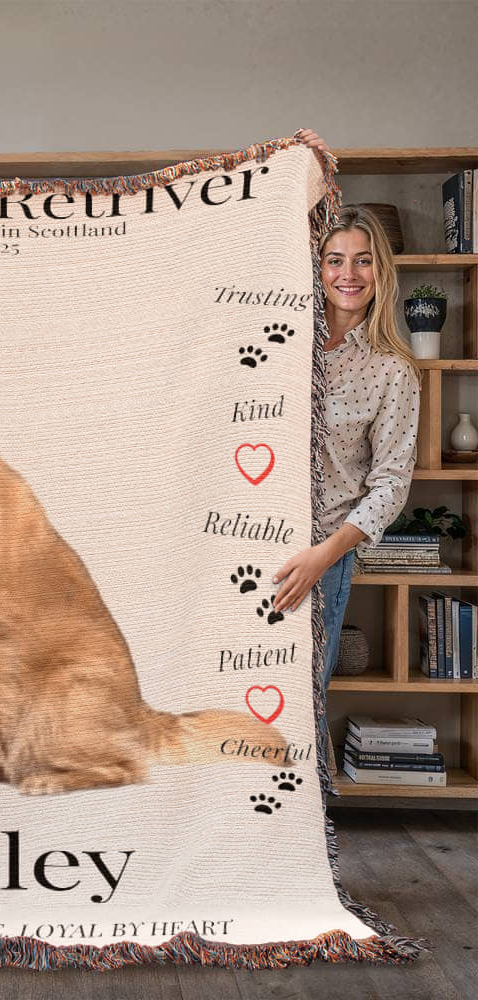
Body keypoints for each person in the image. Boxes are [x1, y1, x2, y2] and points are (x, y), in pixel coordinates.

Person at [271, 130, 422, 752]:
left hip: (323, 554)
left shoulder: (393, 369)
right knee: (231, 689)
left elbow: (390, 484)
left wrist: (322, 557)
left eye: (363, 260)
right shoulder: (278, 340)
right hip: (245, 536)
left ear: (380, 271)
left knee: (302, 701)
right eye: (335, 260)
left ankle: (301, 811)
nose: (348, 274)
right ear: (318, 265)